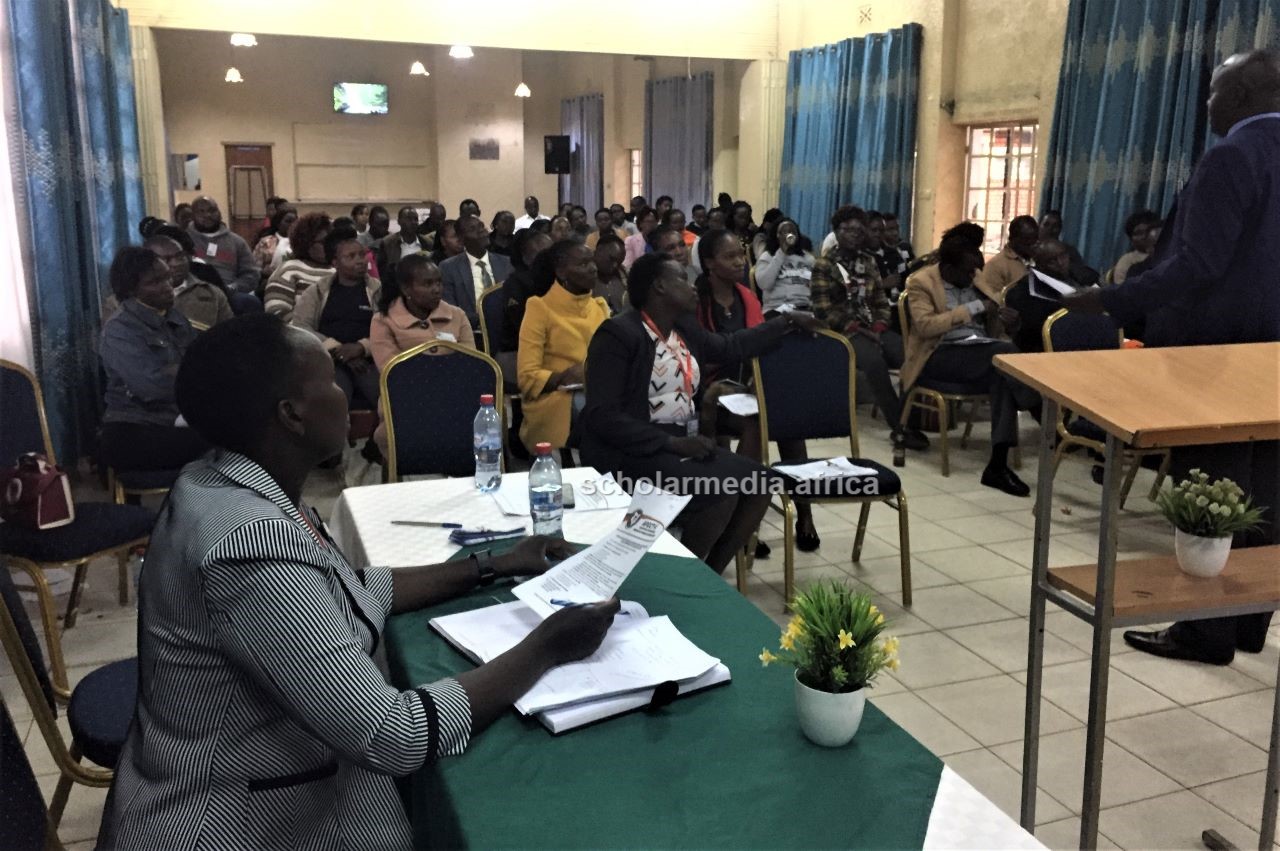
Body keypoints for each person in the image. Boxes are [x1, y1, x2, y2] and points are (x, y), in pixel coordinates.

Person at [97, 313, 618, 849]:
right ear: (291, 415)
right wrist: (547, 645)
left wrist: (495, 564)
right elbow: (395, 734)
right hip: (231, 821)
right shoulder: (250, 541)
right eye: (329, 382)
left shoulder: (222, 481)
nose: (345, 396)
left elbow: (348, 590)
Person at [1065, 49, 1280, 666]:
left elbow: (1197, 265)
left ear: (1240, 95)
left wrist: (1109, 299)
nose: (1206, 103)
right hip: (1272, 357)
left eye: (1213, 91)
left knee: (1211, 490)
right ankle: (1246, 621)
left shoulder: (1233, 155)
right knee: (1267, 485)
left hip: (1217, 357)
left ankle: (1203, 634)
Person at [578, 252, 822, 574]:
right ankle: (685, 578)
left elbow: (731, 346)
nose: (693, 285)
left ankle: (711, 576)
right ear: (659, 286)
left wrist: (786, 321)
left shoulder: (683, 328)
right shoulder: (618, 334)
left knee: (761, 484)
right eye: (682, 278)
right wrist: (671, 444)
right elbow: (602, 416)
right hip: (631, 452)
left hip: (683, 445)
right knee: (719, 493)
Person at [902, 234, 1038, 496]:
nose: (973, 276)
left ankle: (997, 464)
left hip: (980, 351)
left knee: (1002, 376)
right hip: (938, 355)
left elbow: (994, 317)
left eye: (975, 270)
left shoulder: (975, 277)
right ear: (948, 268)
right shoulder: (921, 282)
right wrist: (974, 307)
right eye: (967, 272)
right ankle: (1038, 404)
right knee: (1005, 355)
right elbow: (925, 326)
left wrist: (1009, 321)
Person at [810, 206, 926, 452]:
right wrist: (861, 330)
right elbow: (823, 311)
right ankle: (899, 426)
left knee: (912, 356)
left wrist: (880, 325)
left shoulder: (868, 261)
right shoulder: (824, 265)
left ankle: (910, 418)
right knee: (875, 363)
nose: (855, 235)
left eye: (859, 230)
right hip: (842, 331)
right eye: (849, 230)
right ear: (837, 232)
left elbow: (881, 302)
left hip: (873, 326)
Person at [98, 246, 207, 473]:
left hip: (178, 417)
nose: (168, 287)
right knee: (220, 444)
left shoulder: (176, 319)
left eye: (167, 278)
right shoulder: (120, 329)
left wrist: (179, 372)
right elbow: (150, 387)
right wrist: (188, 374)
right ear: (131, 289)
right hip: (134, 426)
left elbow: (202, 368)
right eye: (155, 282)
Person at [517, 241, 610, 452]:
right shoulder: (539, 308)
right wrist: (563, 377)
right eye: (583, 264)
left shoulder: (599, 306)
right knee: (597, 409)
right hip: (556, 400)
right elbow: (527, 376)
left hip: (598, 389)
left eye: (592, 262)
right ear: (561, 272)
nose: (593, 268)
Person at [293, 228, 382, 416]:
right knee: (336, 400)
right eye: (351, 256)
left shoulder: (378, 290)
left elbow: (388, 327)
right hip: (329, 359)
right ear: (335, 263)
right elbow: (301, 327)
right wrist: (338, 350)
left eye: (361, 254)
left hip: (369, 358)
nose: (360, 260)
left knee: (385, 398)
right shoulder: (318, 291)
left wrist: (361, 347)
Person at [1001, 239, 1085, 354]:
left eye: (1063, 256)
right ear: (1039, 265)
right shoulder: (1023, 292)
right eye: (1052, 261)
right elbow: (1025, 336)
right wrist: (1014, 324)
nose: (1060, 263)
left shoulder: (1081, 276)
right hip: (1046, 350)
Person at [187, 196, 261, 313]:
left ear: (220, 213)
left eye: (212, 210)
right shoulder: (184, 240)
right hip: (192, 293)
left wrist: (233, 287)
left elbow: (251, 274)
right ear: (193, 216)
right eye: (201, 212)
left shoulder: (237, 242)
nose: (207, 215)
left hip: (228, 293)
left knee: (250, 302)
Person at [145, 234, 233, 331]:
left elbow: (229, 333)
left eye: (180, 257)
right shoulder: (139, 296)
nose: (176, 264)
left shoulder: (211, 293)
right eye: (166, 259)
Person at [441, 214, 512, 328]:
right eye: (472, 229)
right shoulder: (449, 268)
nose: (481, 231)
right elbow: (450, 309)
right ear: (461, 239)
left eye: (481, 226)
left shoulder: (506, 263)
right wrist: (484, 320)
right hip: (471, 330)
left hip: (506, 328)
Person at [264, 213, 333, 322]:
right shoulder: (289, 270)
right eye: (323, 242)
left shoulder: (341, 271)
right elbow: (277, 313)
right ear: (306, 243)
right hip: (300, 330)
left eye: (332, 241)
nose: (330, 246)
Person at [500, 229, 555, 354]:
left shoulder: (554, 277)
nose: (550, 259)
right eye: (543, 255)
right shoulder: (515, 284)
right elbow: (525, 327)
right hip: (519, 350)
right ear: (526, 258)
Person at [754, 217, 815, 314]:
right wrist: (781, 252)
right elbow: (764, 284)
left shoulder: (808, 259)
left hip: (804, 309)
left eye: (792, 232)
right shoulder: (767, 257)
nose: (789, 235)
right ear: (777, 235)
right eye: (784, 232)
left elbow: (817, 288)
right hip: (777, 309)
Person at [979, 215, 1039, 307]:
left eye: (1036, 238)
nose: (1033, 243)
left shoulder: (1040, 259)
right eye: (1027, 239)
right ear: (1012, 238)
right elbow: (992, 302)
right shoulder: (996, 265)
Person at [1039, 209, 1100, 285]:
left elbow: (1084, 276)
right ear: (1039, 225)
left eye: (1055, 226)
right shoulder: (1031, 248)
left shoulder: (1070, 252)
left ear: (1060, 229)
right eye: (1046, 225)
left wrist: (1066, 268)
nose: (1050, 229)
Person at [1109, 209, 1161, 284]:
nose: (1144, 236)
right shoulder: (1128, 261)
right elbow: (1121, 287)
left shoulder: (1168, 255)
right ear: (1131, 238)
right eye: (1139, 233)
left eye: (1148, 232)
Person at [377, 206, 427, 284]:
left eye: (416, 219)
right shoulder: (388, 243)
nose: (413, 222)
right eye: (409, 219)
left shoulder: (427, 242)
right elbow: (382, 272)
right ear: (399, 222)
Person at [252, 204, 297, 280]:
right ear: (278, 223)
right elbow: (253, 267)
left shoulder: (301, 242)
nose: (292, 225)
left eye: (294, 221)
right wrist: (264, 272)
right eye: (288, 221)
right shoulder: (266, 242)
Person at [592, 234, 628, 313]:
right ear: (599, 250)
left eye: (619, 262)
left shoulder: (624, 274)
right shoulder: (581, 276)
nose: (615, 265)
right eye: (612, 259)